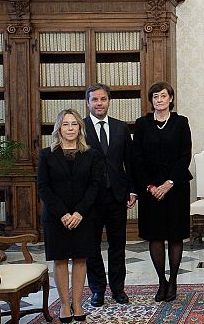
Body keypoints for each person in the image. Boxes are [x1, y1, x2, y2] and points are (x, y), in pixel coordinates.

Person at [37, 109, 103, 323]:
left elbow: (95, 186)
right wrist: (64, 214)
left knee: (81, 259)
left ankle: (77, 303)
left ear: (80, 128)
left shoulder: (91, 153)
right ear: (59, 128)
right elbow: (43, 188)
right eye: (65, 124)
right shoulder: (47, 154)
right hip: (57, 218)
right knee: (61, 260)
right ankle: (65, 305)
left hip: (84, 216)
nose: (70, 128)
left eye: (74, 124)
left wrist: (79, 213)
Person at [132, 81, 193, 302]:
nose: (159, 100)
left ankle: (174, 280)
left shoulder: (181, 122)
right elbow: (136, 159)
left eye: (163, 96)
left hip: (175, 187)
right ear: (151, 101)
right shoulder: (142, 124)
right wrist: (151, 186)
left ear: (171, 99)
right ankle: (161, 281)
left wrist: (168, 183)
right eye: (155, 96)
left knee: (175, 235)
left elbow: (184, 156)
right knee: (155, 235)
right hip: (150, 190)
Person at [83, 83, 135, 307]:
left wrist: (132, 189)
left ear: (109, 101)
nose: (99, 103)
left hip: (117, 195)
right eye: (94, 100)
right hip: (90, 199)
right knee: (91, 247)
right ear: (88, 103)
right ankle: (97, 290)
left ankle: (118, 289)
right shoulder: (80, 128)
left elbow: (130, 162)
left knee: (118, 246)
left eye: (103, 99)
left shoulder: (121, 128)